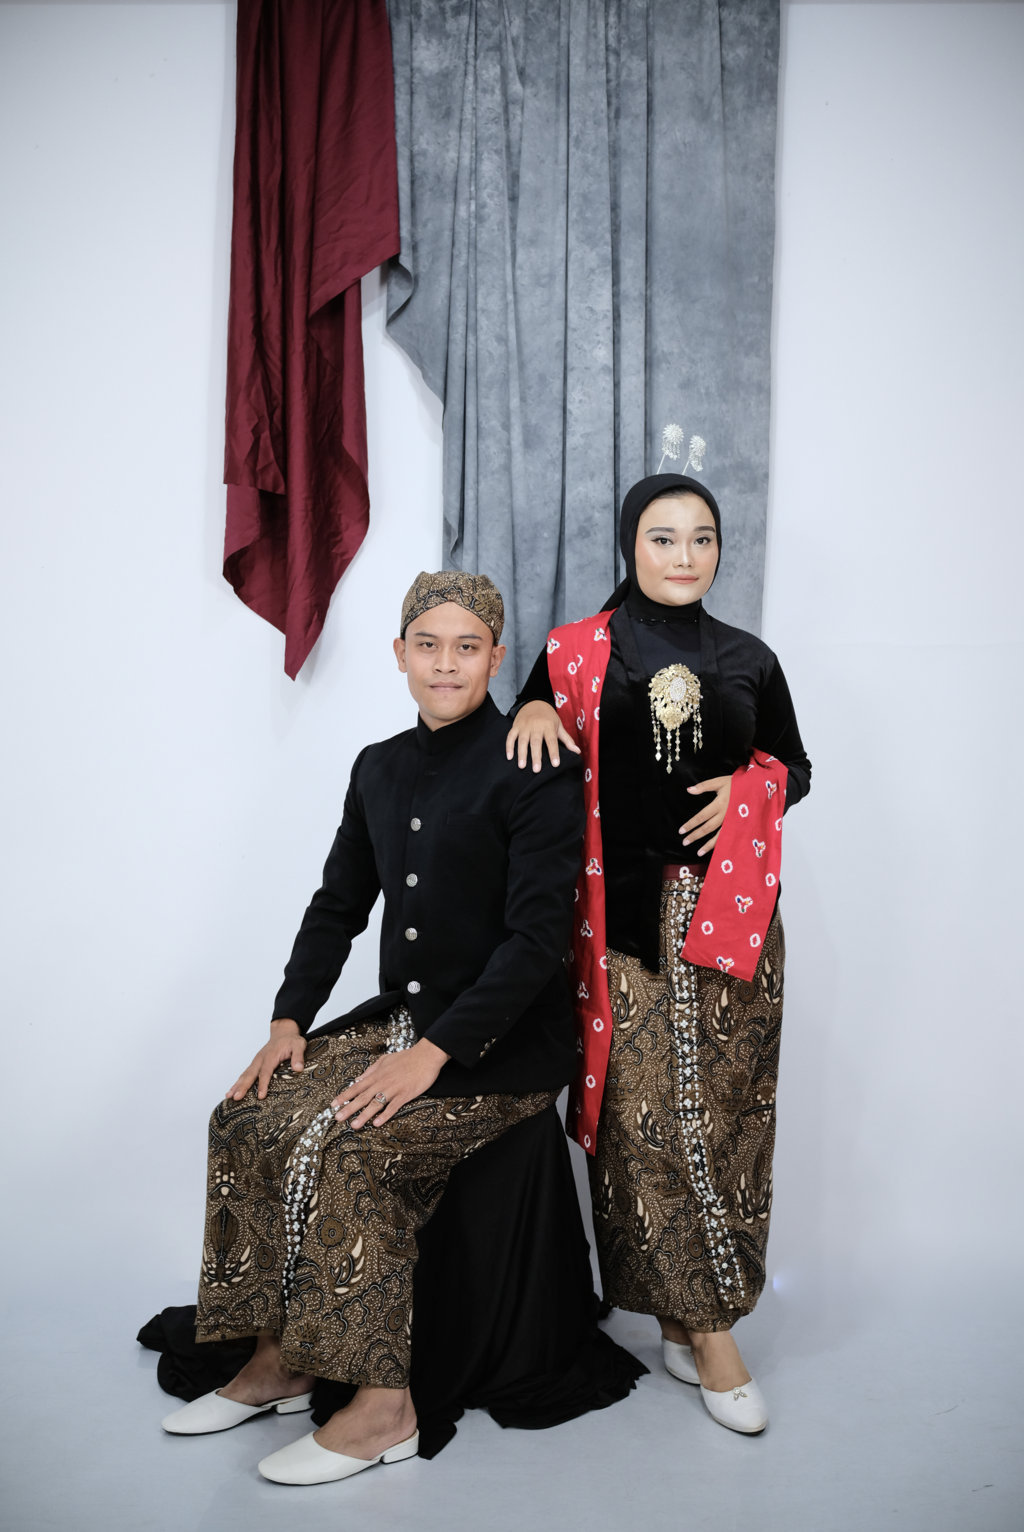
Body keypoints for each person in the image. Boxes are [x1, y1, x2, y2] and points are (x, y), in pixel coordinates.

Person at [161, 571, 593, 1485]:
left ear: (496, 658)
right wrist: (288, 1019)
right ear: (400, 655)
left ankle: (383, 1408)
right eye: (427, 646)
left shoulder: (535, 762)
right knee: (245, 1117)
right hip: (403, 1019)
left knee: (355, 1150)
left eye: (467, 647)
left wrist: (433, 1056)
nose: (446, 664)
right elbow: (337, 905)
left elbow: (536, 941)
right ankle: (280, 1360)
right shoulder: (378, 766)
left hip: (504, 1047)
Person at [507, 473, 811, 1434]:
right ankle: (710, 1335)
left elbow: (795, 766)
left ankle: (688, 1314)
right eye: (664, 537)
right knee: (645, 1126)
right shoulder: (576, 650)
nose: (685, 555)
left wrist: (752, 790)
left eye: (702, 538)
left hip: (730, 923)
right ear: (631, 545)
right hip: (622, 925)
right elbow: (532, 726)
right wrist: (533, 709)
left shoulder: (750, 658)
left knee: (727, 1121)